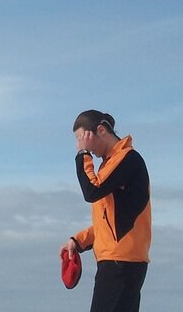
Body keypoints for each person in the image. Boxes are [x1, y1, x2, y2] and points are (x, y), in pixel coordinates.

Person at [60, 110, 151, 312]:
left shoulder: (127, 158)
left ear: (100, 130)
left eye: (82, 139)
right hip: (120, 259)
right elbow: (108, 219)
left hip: (120, 260)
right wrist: (79, 240)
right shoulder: (110, 164)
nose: (82, 146)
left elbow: (91, 191)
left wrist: (82, 155)